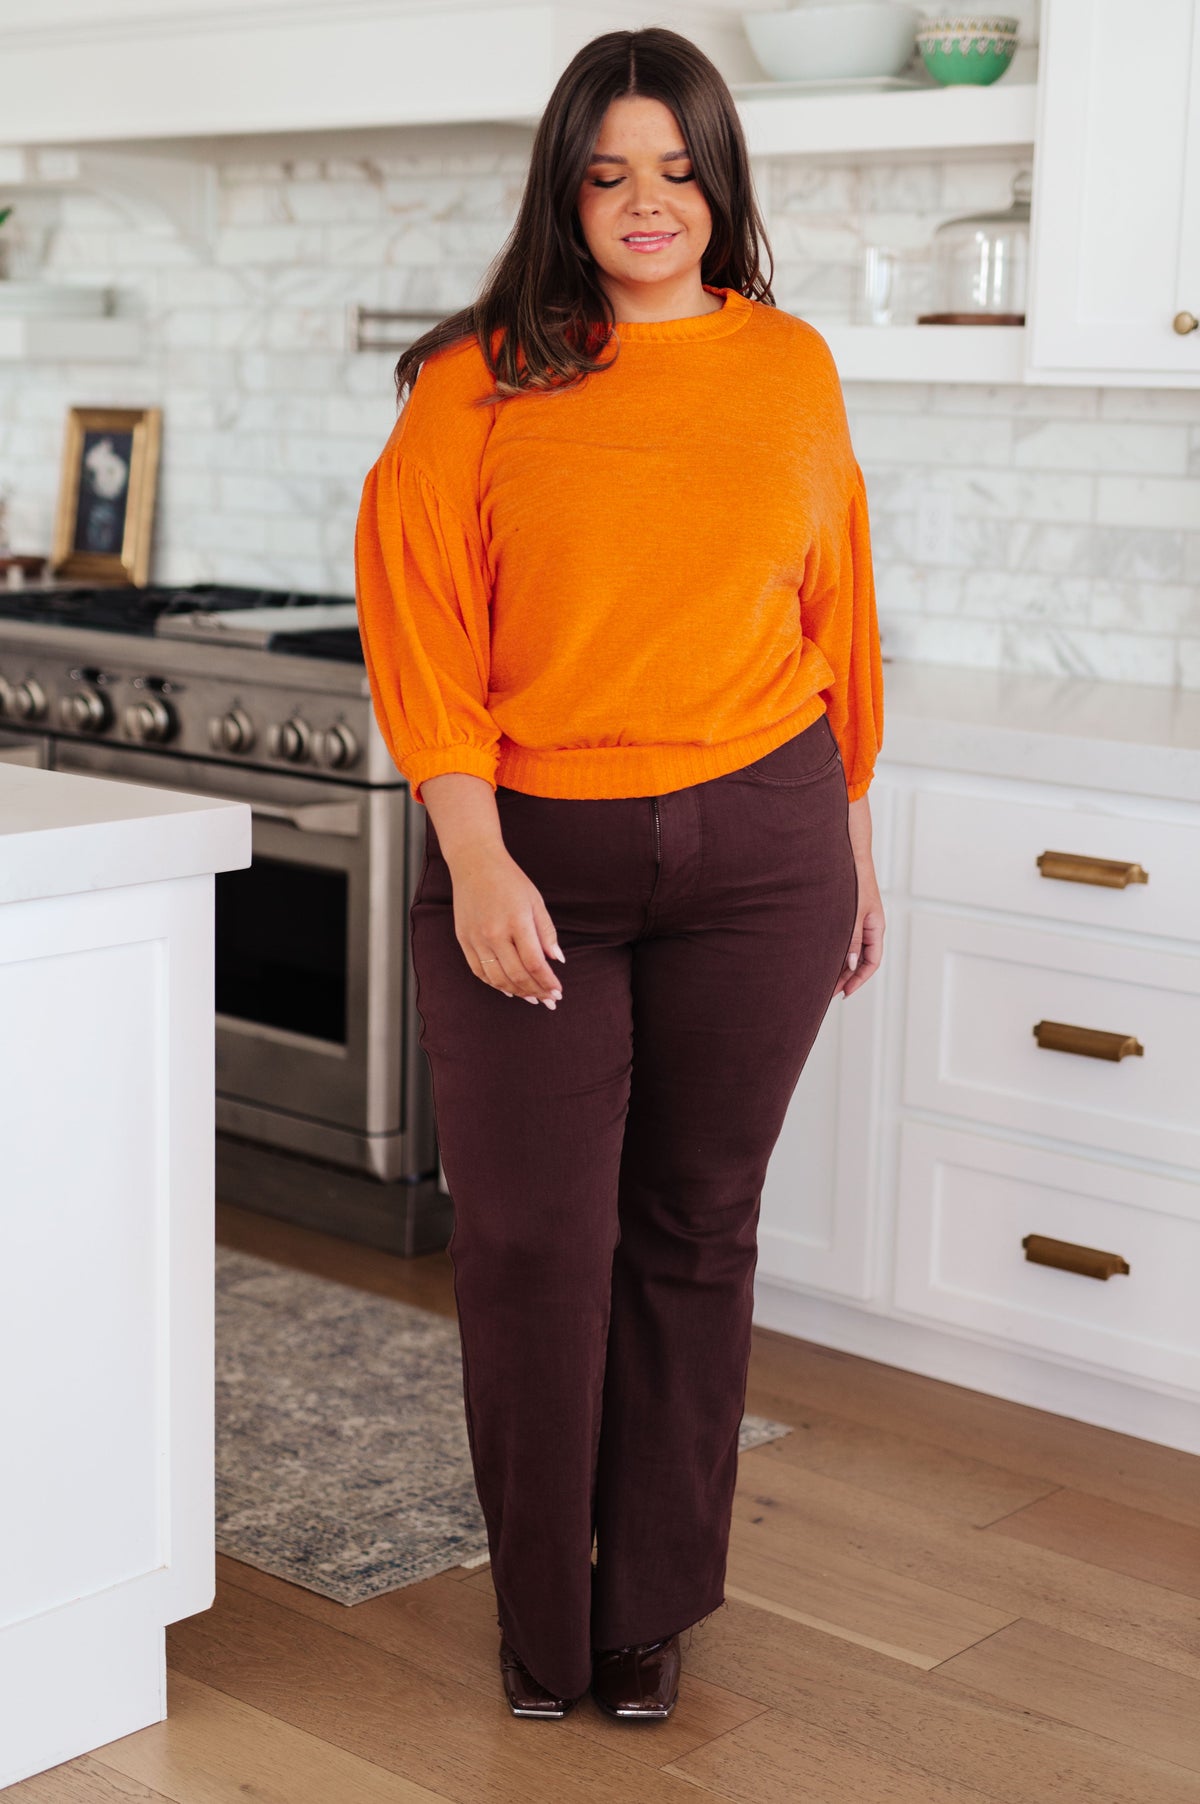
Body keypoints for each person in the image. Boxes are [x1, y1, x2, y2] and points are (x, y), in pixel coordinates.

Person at [354, 25, 885, 1724]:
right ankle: (542, 1611)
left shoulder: (790, 364)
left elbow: (837, 619)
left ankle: (649, 1604)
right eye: (609, 173)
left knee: (695, 1230)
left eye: (677, 169)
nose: (647, 203)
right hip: (535, 860)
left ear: (720, 186)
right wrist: (475, 853)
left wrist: (855, 847)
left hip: (769, 847)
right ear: (564, 192)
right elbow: (416, 623)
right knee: (529, 1243)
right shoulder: (476, 380)